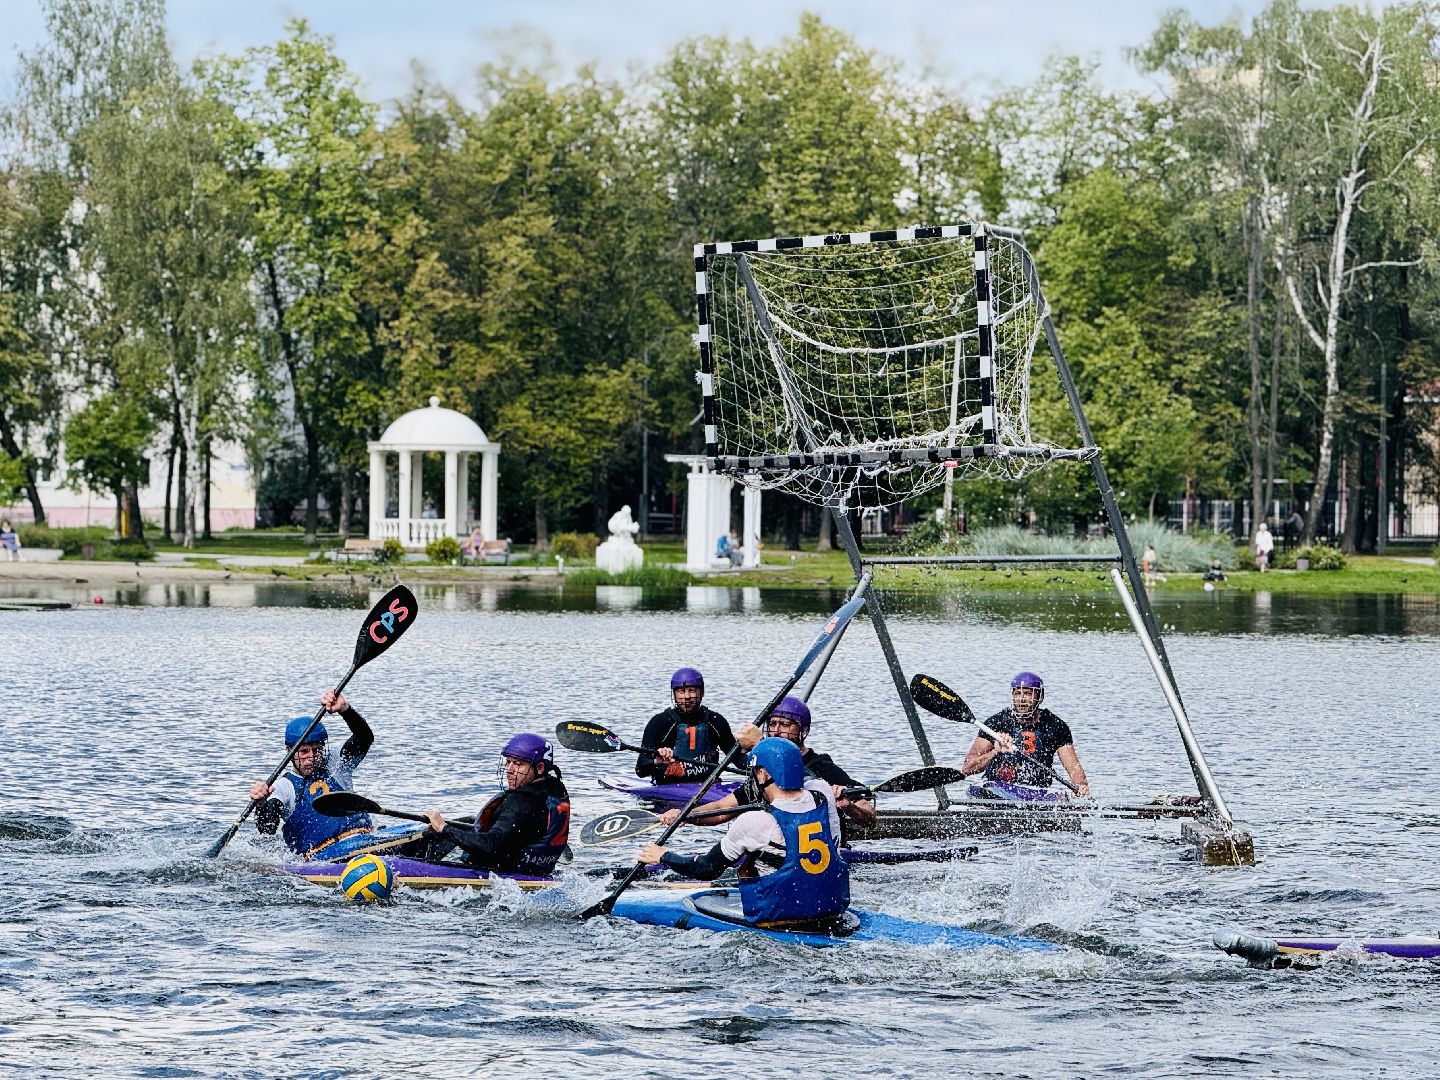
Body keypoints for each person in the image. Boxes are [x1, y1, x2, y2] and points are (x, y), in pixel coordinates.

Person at [638, 737, 849, 926]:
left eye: (755, 773)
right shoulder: (823, 793)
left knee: (749, 863)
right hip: (832, 910)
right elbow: (806, 775)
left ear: (764, 773)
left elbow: (706, 869)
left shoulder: (755, 822)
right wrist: (685, 814)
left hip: (779, 918)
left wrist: (663, 856)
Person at [662, 695, 877, 831]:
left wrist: (849, 806)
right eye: (772, 724)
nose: (777, 730)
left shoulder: (823, 768)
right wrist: (685, 815)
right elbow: (721, 809)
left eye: (786, 725)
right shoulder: (762, 771)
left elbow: (869, 817)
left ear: (804, 731)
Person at [419, 734, 571, 876]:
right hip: (535, 872)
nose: (509, 770)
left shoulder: (521, 804)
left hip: (501, 875)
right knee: (466, 823)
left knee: (444, 832)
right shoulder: (554, 790)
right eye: (508, 762)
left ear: (539, 768)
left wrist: (443, 828)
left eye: (518, 764)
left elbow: (489, 846)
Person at [250, 690, 375, 857]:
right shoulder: (284, 787)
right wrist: (261, 805)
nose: (311, 757)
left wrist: (345, 709)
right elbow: (267, 829)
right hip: (324, 854)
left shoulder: (336, 763)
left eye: (317, 750)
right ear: (289, 751)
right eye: (304, 751)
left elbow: (364, 738)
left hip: (366, 839)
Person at [960, 672, 1089, 797]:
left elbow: (1074, 768)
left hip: (1037, 792)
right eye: (1017, 693)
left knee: (1062, 798)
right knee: (976, 790)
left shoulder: (1055, 726)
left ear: (1039, 696)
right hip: (998, 789)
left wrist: (1080, 786)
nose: (1021, 699)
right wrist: (996, 752)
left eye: (1027, 693)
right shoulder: (996, 723)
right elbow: (968, 768)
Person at [636, 668, 736, 783]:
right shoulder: (660, 722)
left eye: (692, 690)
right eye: (681, 691)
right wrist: (656, 761)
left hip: (709, 788)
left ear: (701, 692)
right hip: (667, 790)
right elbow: (640, 770)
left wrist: (755, 746)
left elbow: (739, 761)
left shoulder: (716, 721)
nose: (687, 696)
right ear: (674, 694)